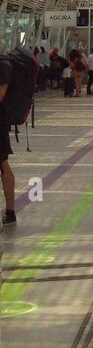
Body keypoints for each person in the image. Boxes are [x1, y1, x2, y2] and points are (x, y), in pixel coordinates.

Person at [0, 55, 16, 225]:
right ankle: (10, 210)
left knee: (3, 163)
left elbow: (1, 93)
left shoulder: (2, 65)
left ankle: (10, 210)